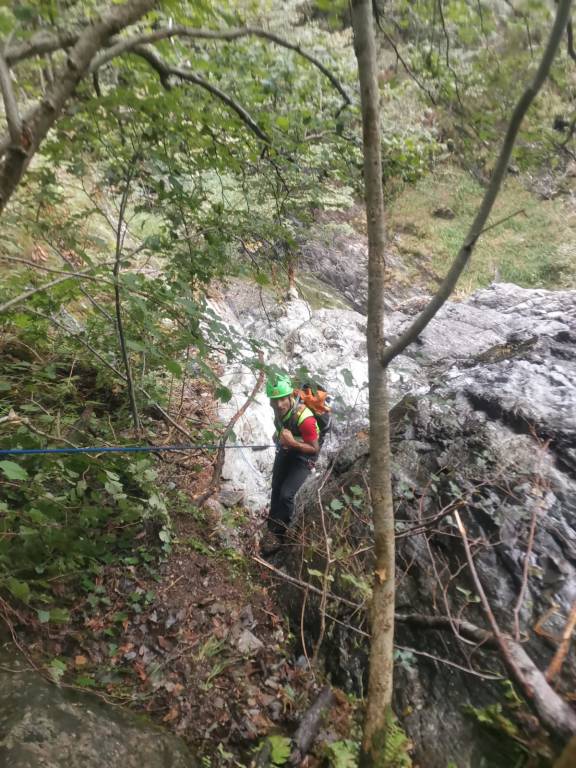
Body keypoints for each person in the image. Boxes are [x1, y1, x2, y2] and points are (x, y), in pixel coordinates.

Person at [261, 375, 320, 555]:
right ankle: (272, 523)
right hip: (287, 449)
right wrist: (278, 436)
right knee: (276, 485)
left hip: (304, 456)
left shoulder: (305, 418)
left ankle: (280, 534)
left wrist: (292, 443)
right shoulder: (278, 412)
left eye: (282, 400)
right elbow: (283, 428)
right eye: (275, 400)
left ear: (290, 398)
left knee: (286, 494)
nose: (279, 405)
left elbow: (314, 450)